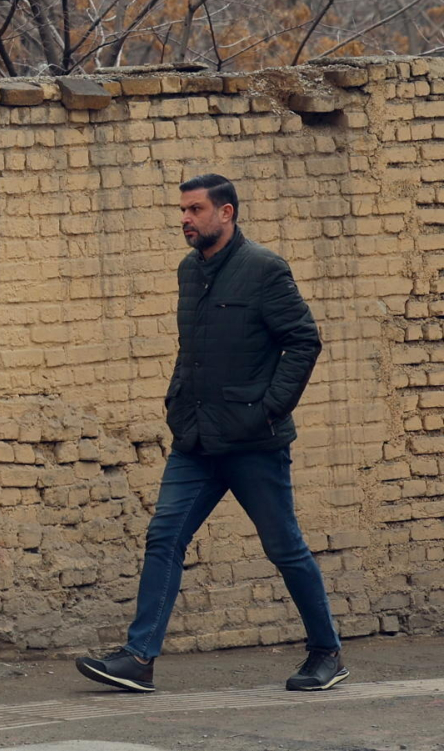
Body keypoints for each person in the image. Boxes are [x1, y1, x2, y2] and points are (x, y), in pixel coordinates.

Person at [76, 174, 345, 694]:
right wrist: (178, 401)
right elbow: (191, 349)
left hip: (253, 443)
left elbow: (303, 341)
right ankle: (139, 658)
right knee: (164, 537)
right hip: (196, 440)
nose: (185, 219)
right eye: (182, 210)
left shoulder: (265, 269)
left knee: (284, 547)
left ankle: (326, 653)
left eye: (195, 210)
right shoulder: (189, 271)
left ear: (226, 213)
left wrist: (267, 410)